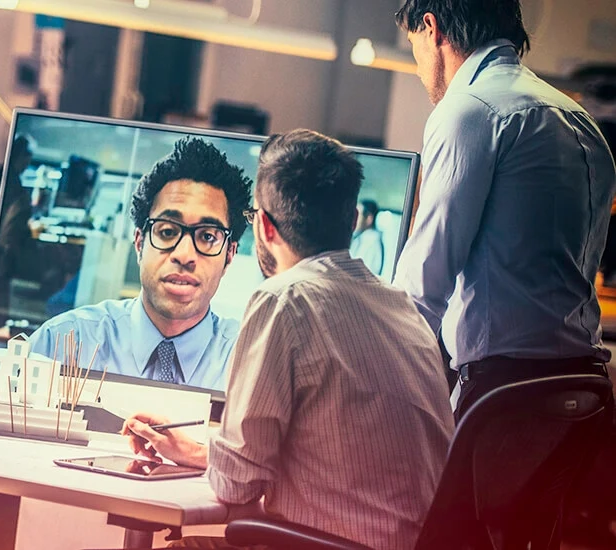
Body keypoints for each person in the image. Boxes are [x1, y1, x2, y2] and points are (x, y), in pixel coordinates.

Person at [123, 130, 454, 550]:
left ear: (262, 226)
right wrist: (199, 451)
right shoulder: (402, 308)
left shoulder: (285, 299)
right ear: (352, 220)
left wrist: (220, 462)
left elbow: (235, 486)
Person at [391, 0, 616, 418]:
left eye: (413, 46)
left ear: (431, 28)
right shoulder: (582, 121)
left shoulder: (469, 111)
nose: (419, 68)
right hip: (587, 395)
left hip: (507, 401)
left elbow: (421, 290)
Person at [27, 137, 248, 392]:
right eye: (167, 232)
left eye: (208, 236)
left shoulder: (251, 366)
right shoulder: (62, 344)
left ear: (229, 255)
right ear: (139, 242)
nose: (184, 254)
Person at [349, 199, 383, 275]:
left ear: (369, 219)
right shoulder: (360, 239)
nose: (354, 219)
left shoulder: (373, 243)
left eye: (358, 215)